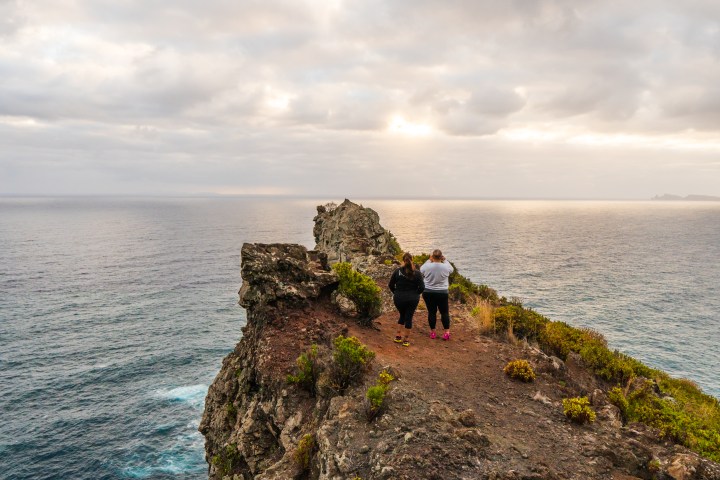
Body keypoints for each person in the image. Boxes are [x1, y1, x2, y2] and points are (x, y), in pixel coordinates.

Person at [388, 252, 425, 347]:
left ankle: (398, 336)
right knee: (408, 317)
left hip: (399, 298)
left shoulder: (397, 271)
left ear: (403, 261)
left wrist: (396, 293)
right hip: (412, 299)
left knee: (402, 315)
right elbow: (422, 287)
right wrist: (416, 294)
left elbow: (390, 285)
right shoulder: (417, 273)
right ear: (412, 260)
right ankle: (406, 340)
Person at [420, 249, 454, 340]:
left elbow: (421, 270)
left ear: (432, 257)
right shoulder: (446, 267)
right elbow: (452, 269)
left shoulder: (427, 266)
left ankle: (433, 332)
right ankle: (446, 332)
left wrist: (429, 260)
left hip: (428, 292)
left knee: (432, 312)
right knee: (444, 313)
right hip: (442, 292)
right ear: (441, 257)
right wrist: (445, 260)